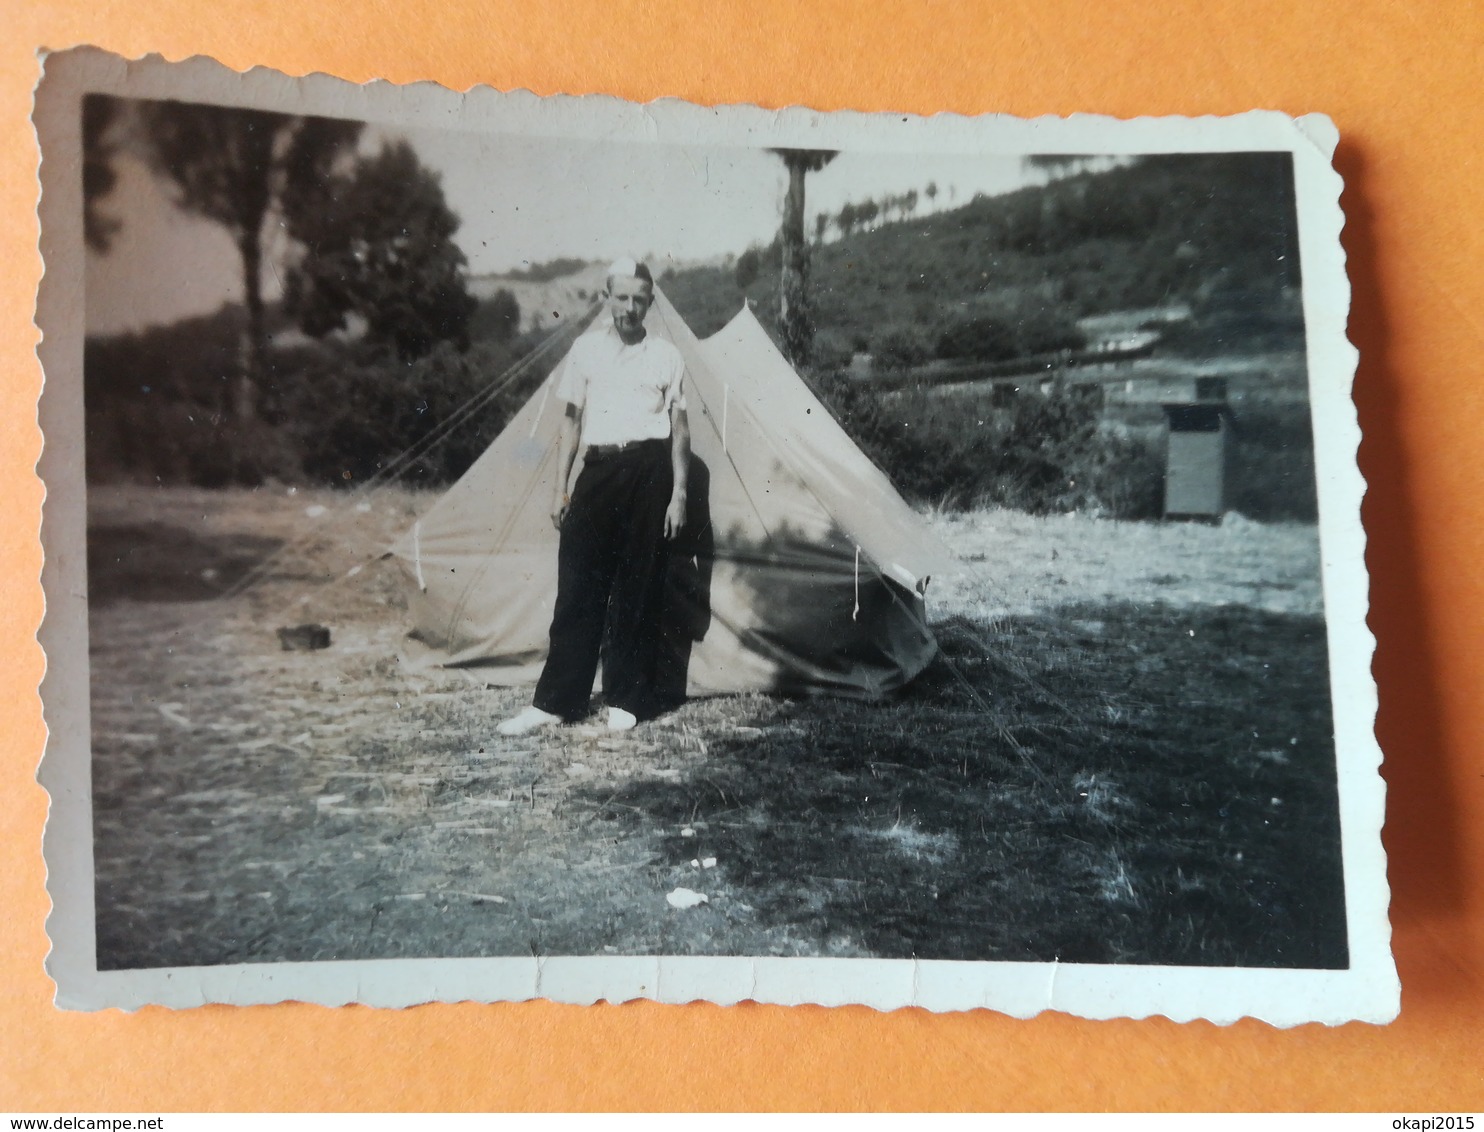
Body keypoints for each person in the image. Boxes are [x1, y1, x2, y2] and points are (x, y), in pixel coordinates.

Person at [498, 259, 690, 736]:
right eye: (621, 297)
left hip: (649, 472)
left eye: (639, 299)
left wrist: (680, 492)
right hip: (598, 470)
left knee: (638, 586)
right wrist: (560, 486)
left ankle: (627, 698)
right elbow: (570, 421)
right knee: (579, 584)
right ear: (607, 297)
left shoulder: (666, 355)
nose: (630, 307)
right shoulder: (584, 351)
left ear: (650, 301)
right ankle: (556, 701)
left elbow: (681, 431)